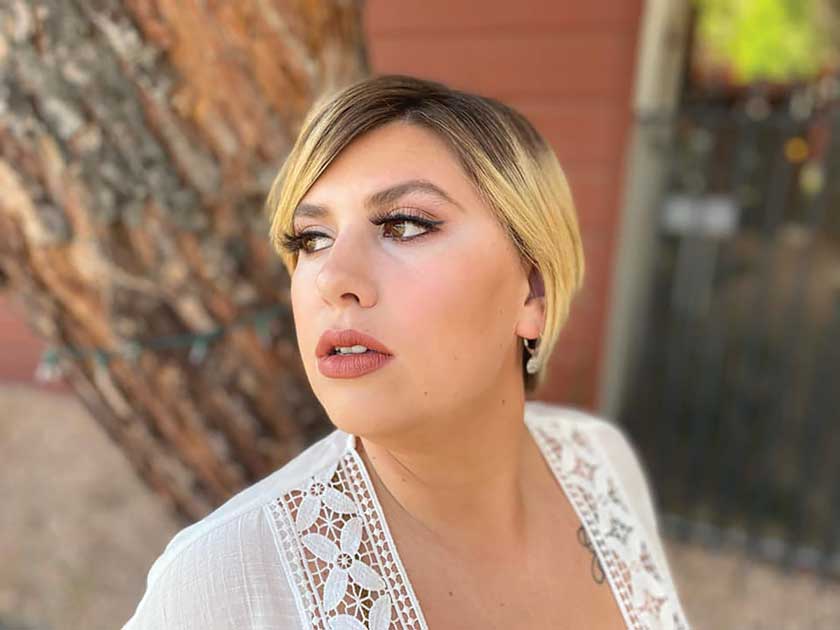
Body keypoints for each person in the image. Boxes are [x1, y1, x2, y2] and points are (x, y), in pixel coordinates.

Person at [123, 74, 691, 629]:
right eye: (312, 239)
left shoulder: (602, 465)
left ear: (533, 294)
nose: (332, 278)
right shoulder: (219, 584)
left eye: (405, 225)